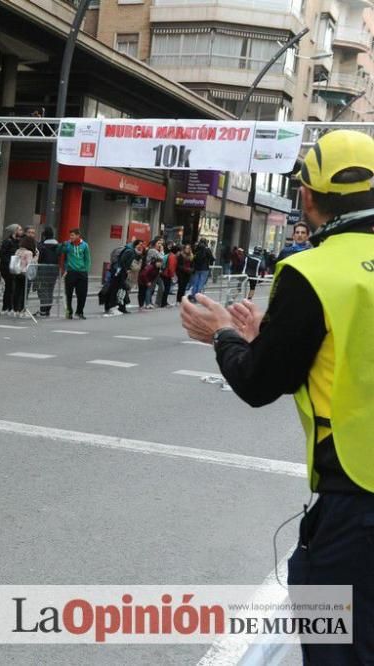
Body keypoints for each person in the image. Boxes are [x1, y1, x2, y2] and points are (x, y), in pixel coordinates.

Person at [179, 129, 374, 664]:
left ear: (307, 197)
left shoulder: (311, 271)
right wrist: (278, 331)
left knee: (342, 645)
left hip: (357, 496)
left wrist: (222, 336)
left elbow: (262, 383)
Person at [102, 238, 144, 316]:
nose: (142, 246)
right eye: (140, 244)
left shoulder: (130, 250)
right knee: (116, 289)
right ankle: (112, 307)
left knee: (117, 288)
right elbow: (122, 261)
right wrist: (126, 270)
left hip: (118, 271)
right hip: (119, 272)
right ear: (136, 244)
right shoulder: (130, 251)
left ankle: (113, 307)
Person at [59, 228, 90, 320]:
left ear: (77, 235)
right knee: (68, 293)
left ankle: (79, 312)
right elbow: (60, 252)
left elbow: (87, 259)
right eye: (70, 235)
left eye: (72, 235)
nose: (71, 237)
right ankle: (69, 312)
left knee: (82, 294)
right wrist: (62, 245)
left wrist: (86, 270)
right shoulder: (68, 245)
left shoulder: (85, 245)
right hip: (71, 272)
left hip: (82, 273)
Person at [0, 224, 22, 316]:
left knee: (12, 287)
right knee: (9, 287)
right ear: (14, 231)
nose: (21, 231)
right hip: (7, 268)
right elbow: (1, 254)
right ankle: (6, 307)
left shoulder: (18, 242)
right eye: (19, 230)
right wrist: (10, 262)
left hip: (14, 268)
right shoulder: (7, 242)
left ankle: (10, 307)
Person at [35, 227, 59, 317]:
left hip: (43, 269)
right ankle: (47, 310)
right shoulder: (57, 245)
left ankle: (43, 310)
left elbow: (39, 258)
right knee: (50, 290)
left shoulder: (42, 246)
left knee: (43, 290)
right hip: (54, 270)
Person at [12, 234, 38, 318]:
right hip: (25, 274)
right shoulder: (29, 253)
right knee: (24, 293)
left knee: (17, 291)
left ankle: (15, 310)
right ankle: (22, 310)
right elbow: (30, 264)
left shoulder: (18, 251)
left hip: (17, 272)